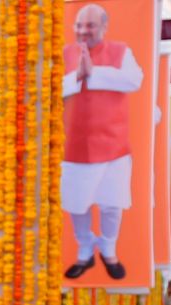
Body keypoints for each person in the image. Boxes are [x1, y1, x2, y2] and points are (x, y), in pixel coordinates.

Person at [60, 2, 144, 281]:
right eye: (80, 25)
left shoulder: (121, 51)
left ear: (104, 28)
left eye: (91, 25)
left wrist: (94, 72)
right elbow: (52, 88)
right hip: (74, 145)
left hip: (113, 144)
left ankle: (108, 249)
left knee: (111, 203)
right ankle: (85, 251)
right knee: (77, 204)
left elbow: (134, 80)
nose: (84, 31)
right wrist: (78, 76)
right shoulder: (65, 54)